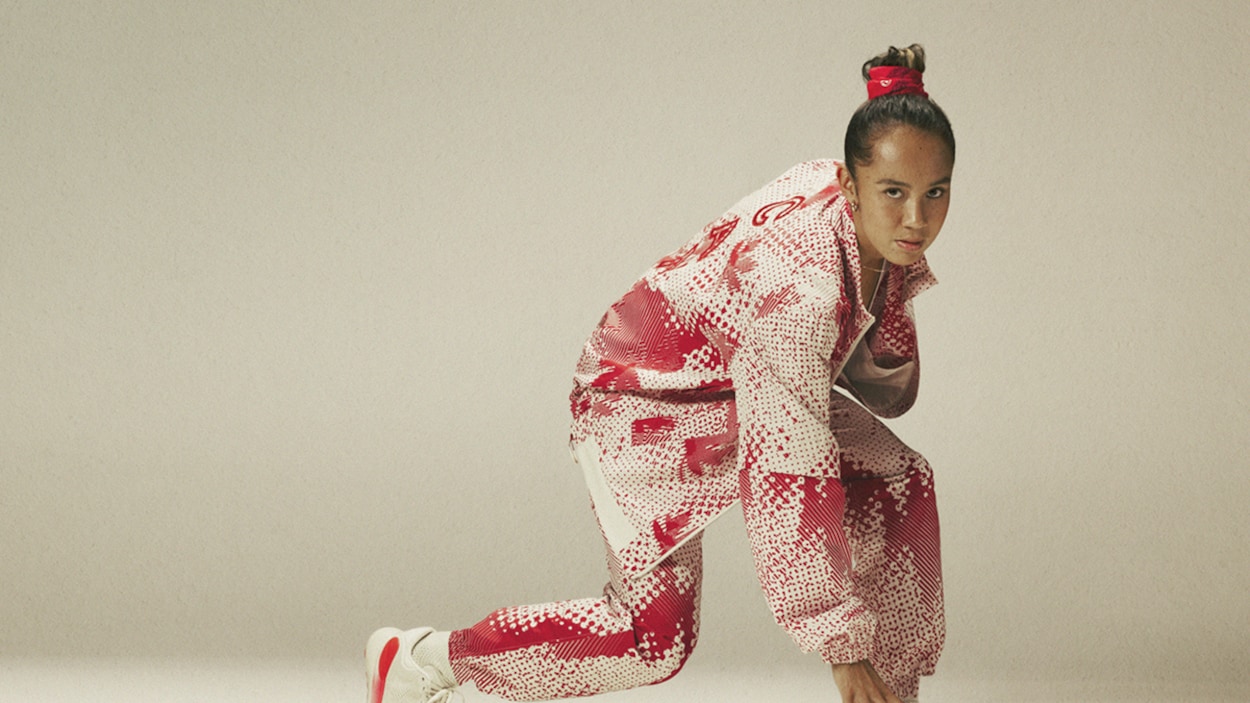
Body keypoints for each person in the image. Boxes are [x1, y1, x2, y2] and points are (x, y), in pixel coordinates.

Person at [366, 43, 955, 703]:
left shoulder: (858, 199)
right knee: (650, 639)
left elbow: (870, 381)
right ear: (849, 184)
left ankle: (894, 695)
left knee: (897, 476)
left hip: (734, 380)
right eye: (895, 193)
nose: (916, 220)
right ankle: (425, 659)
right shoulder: (799, 292)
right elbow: (790, 471)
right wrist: (839, 648)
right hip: (636, 402)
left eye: (936, 192)